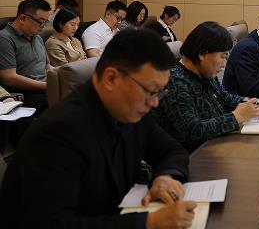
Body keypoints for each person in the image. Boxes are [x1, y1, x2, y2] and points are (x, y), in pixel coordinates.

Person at [0, 29, 196, 228]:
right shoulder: (57, 133)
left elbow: (172, 150)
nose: (154, 103)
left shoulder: (131, 111)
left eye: (160, 92)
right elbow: (52, 224)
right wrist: (149, 223)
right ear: (111, 78)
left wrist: (165, 176)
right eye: (150, 91)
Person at [154, 22, 259, 152]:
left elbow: (225, 97)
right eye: (222, 56)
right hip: (194, 155)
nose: (224, 64)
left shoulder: (205, 73)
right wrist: (235, 117)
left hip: (217, 143)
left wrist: (248, 102)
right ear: (202, 54)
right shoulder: (175, 81)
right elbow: (192, 131)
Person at [0, 0, 52, 111]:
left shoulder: (37, 37)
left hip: (44, 88)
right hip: (25, 93)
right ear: (23, 18)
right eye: (41, 21)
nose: (43, 26)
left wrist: (65, 77)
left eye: (46, 21)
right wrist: (46, 86)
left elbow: (48, 67)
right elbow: (9, 78)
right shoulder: (5, 38)